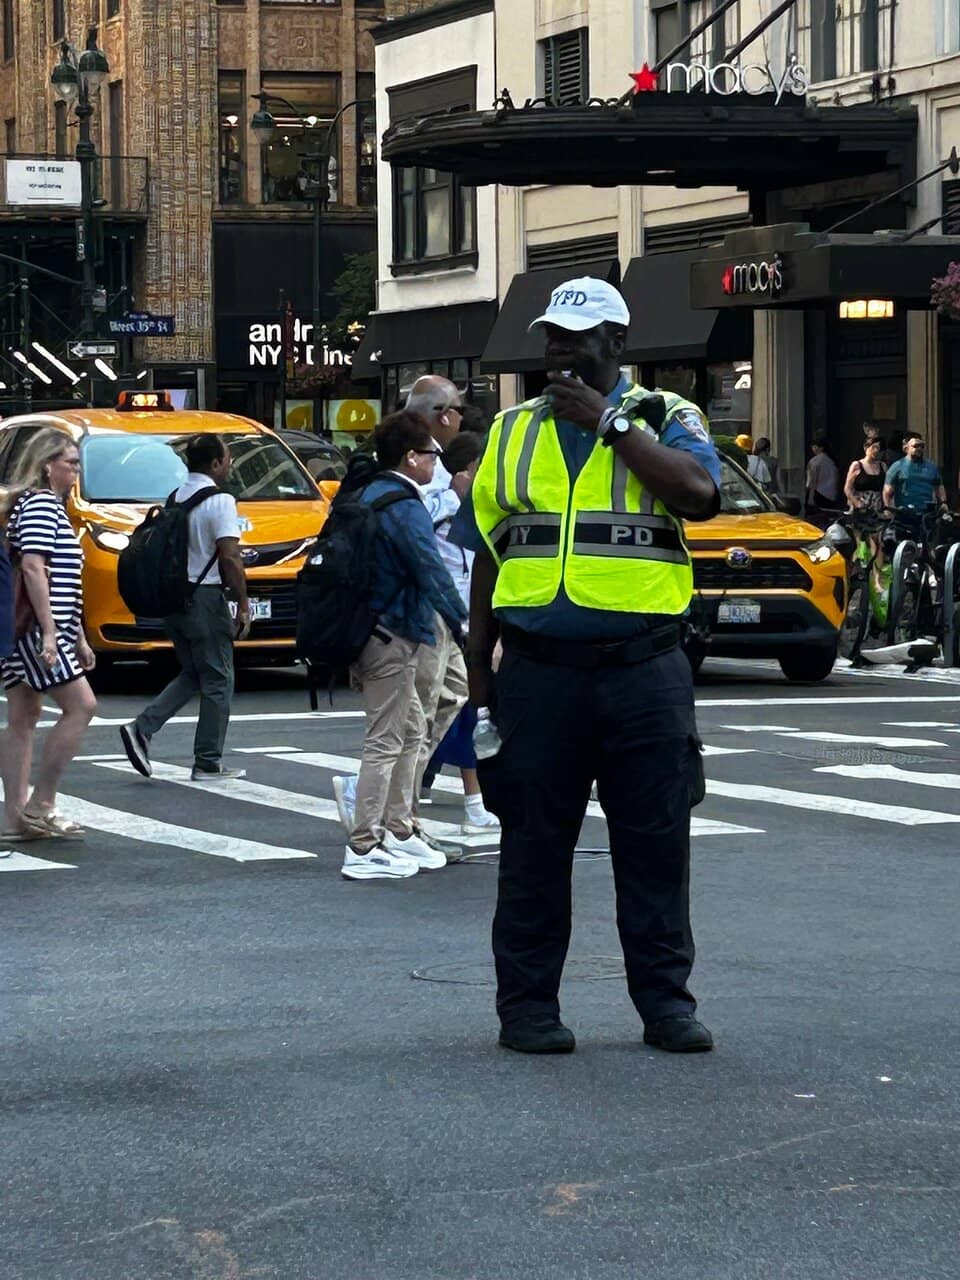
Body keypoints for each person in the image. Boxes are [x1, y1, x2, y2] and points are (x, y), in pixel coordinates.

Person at [456, 276, 721, 1055]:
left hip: (646, 672)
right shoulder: (511, 429)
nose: (562, 351)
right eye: (553, 337)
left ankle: (665, 1005)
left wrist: (611, 425)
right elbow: (486, 559)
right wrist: (479, 678)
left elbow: (700, 495)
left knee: (655, 844)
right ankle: (528, 1007)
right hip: (540, 673)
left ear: (620, 344)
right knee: (534, 845)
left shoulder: (669, 417)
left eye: (581, 337)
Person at [336, 411, 468, 880]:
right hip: (392, 633)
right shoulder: (404, 504)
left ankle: (398, 829)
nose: (437, 461)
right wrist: (464, 624)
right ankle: (364, 845)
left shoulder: (369, 493)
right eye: (432, 453)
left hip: (370, 629)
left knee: (411, 730)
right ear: (411, 458)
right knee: (386, 740)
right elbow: (429, 568)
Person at [118, 434, 251, 783]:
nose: (231, 464)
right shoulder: (221, 500)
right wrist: (242, 602)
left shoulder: (177, 497)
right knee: (220, 679)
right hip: (206, 600)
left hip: (175, 599)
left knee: (194, 673)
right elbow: (230, 556)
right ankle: (208, 762)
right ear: (216, 464)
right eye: (228, 458)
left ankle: (142, 728)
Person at [0, 429, 97, 842]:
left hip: (28, 627)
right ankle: (41, 803)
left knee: (23, 718)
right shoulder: (41, 505)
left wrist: (76, 634)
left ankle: (15, 819)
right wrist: (53, 633)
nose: (76, 471)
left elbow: (55, 577)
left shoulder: (34, 505)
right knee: (82, 706)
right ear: (47, 465)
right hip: (36, 630)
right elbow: (36, 569)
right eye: (70, 463)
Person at [423, 430, 499, 834]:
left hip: (463, 623)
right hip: (442, 622)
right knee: (449, 710)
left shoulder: (476, 507)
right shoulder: (443, 504)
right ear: (471, 468)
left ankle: (424, 782)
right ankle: (471, 804)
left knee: (449, 710)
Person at [403, 375, 472, 808]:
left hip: (455, 607)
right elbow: (408, 517)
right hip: (428, 605)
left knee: (452, 695)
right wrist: (452, 496)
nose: (462, 417)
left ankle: (405, 792)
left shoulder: (445, 461)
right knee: (421, 708)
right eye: (458, 409)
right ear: (443, 415)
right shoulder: (417, 460)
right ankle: (398, 805)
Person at [882, 433, 948, 513]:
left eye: (922, 446)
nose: (919, 448)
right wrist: (888, 509)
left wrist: (943, 502)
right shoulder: (897, 466)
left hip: (927, 514)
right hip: (905, 513)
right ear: (906, 448)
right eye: (915, 446)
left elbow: (939, 486)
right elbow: (887, 492)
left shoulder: (932, 467)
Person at [844, 436, 886, 512]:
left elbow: (886, 488)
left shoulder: (883, 466)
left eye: (880, 449)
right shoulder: (857, 465)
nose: (876, 451)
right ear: (866, 447)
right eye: (874, 447)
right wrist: (857, 503)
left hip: (877, 508)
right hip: (860, 508)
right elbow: (847, 489)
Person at [805, 432, 841, 513]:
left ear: (820, 448)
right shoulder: (832, 461)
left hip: (818, 495)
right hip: (831, 495)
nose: (812, 448)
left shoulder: (814, 461)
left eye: (814, 446)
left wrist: (810, 498)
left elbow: (811, 481)